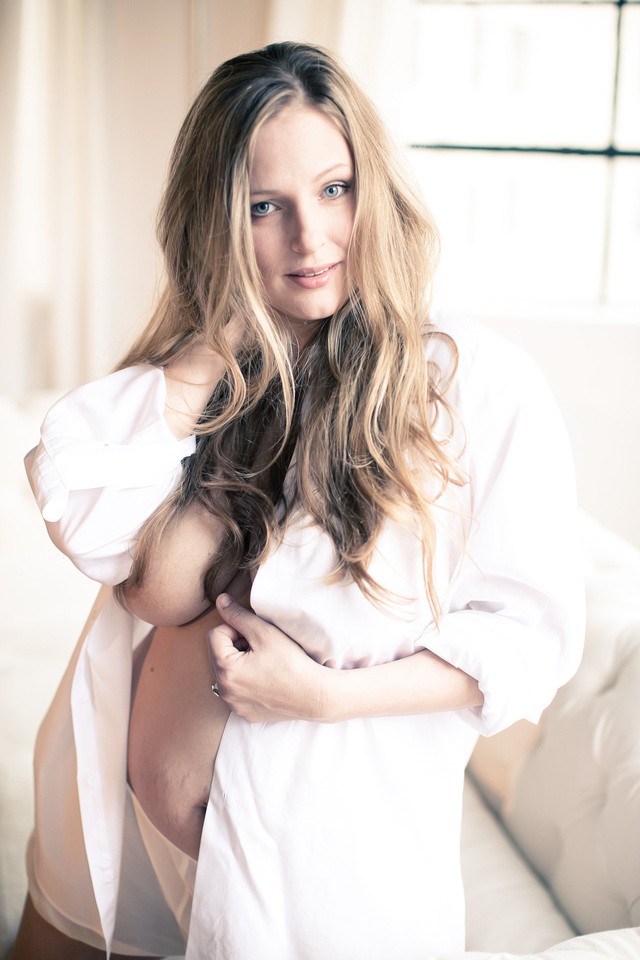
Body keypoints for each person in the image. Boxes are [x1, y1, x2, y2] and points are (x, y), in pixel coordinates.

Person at [12, 41, 584, 960]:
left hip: (318, 878)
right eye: (262, 207)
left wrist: (325, 698)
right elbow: (89, 518)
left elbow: (530, 643)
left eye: (334, 189)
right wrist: (222, 344)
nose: (309, 239)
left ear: (375, 190)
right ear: (217, 225)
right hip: (117, 826)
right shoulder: (222, 379)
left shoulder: (471, 385)